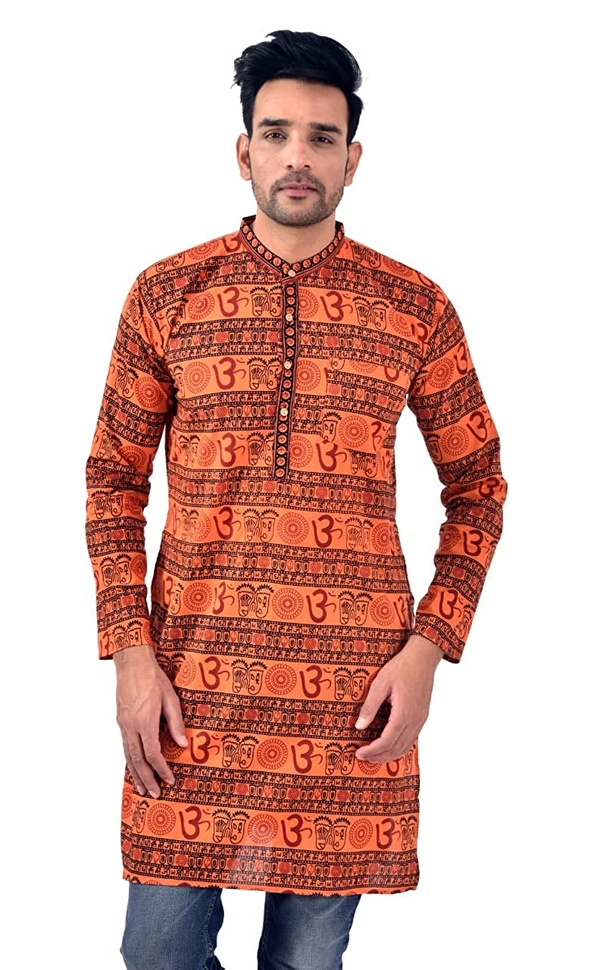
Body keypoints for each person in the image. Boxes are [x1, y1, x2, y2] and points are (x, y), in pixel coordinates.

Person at [85, 28, 507, 970]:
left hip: (352, 704)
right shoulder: (167, 294)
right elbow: (112, 481)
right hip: (190, 694)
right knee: (156, 951)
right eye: (276, 134)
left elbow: (478, 486)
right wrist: (129, 655)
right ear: (244, 152)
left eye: (322, 138)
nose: (298, 157)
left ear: (353, 159)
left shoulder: (414, 307)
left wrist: (429, 651)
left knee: (306, 964)